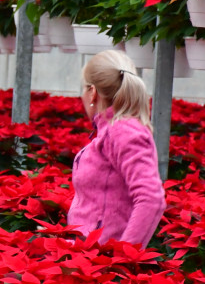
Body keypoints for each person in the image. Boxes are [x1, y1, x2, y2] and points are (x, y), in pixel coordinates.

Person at [68, 49, 166, 246]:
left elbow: (151, 199)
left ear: (93, 92)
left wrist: (122, 258)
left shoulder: (123, 132)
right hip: (89, 258)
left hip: (102, 264)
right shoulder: (112, 129)